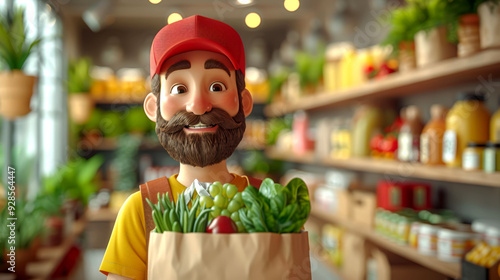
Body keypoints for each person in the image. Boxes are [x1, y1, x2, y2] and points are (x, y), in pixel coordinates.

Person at [100, 15, 259, 280]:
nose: (197, 105)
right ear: (153, 107)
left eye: (216, 86)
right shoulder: (140, 210)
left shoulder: (266, 201)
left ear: (244, 102)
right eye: (179, 88)